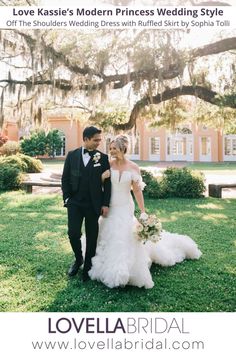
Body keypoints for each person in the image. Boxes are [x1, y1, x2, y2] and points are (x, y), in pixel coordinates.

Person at [89, 135, 202, 289]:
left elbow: (136, 191)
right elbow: (99, 186)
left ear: (123, 148)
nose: (111, 151)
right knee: (107, 232)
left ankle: (126, 267)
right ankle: (105, 261)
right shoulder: (108, 165)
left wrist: (143, 211)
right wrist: (102, 178)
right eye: (110, 148)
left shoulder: (133, 167)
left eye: (114, 148)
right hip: (110, 205)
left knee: (123, 235)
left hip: (125, 206)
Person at [61, 126, 111, 282]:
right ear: (86, 139)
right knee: (73, 233)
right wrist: (67, 198)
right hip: (75, 203)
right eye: (95, 140)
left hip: (93, 203)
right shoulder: (72, 155)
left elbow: (108, 184)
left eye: (99, 140)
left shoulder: (102, 158)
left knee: (92, 235)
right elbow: (65, 178)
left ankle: (88, 265)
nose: (98, 143)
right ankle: (78, 259)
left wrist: (105, 204)